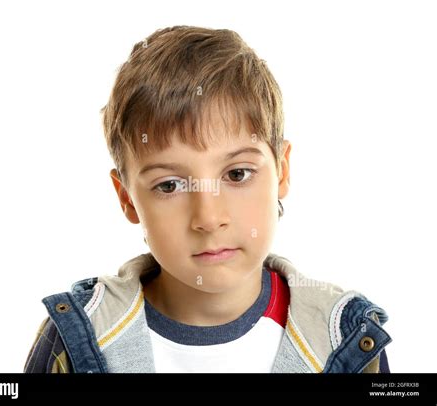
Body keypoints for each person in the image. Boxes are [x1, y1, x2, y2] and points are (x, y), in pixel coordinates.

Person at [24, 25, 391, 373]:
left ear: (282, 171)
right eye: (169, 186)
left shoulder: (346, 339)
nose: (209, 217)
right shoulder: (76, 339)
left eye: (236, 174)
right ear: (128, 199)